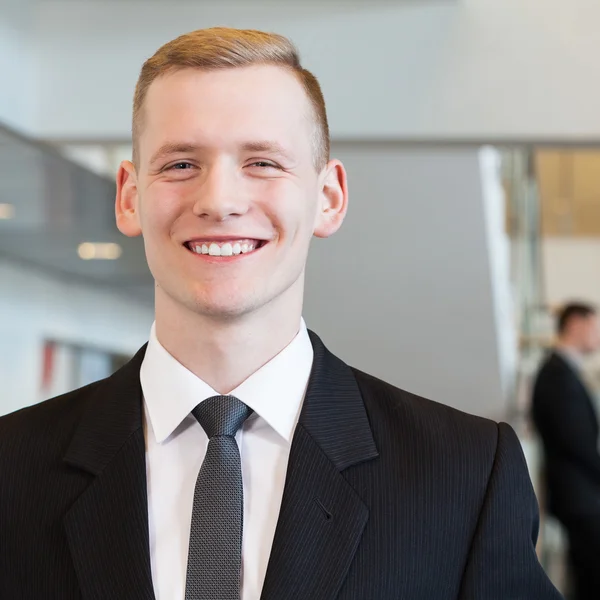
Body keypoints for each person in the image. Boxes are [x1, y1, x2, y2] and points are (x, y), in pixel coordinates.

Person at [0, 27, 561, 600]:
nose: (219, 200)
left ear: (328, 197)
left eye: (263, 162)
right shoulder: (11, 469)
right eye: (180, 165)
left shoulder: (462, 474)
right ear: (128, 196)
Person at [532, 302, 600, 600]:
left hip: (579, 495)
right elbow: (577, 443)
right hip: (579, 496)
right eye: (595, 327)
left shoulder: (562, 372)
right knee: (590, 578)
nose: (598, 336)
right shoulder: (557, 375)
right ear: (575, 324)